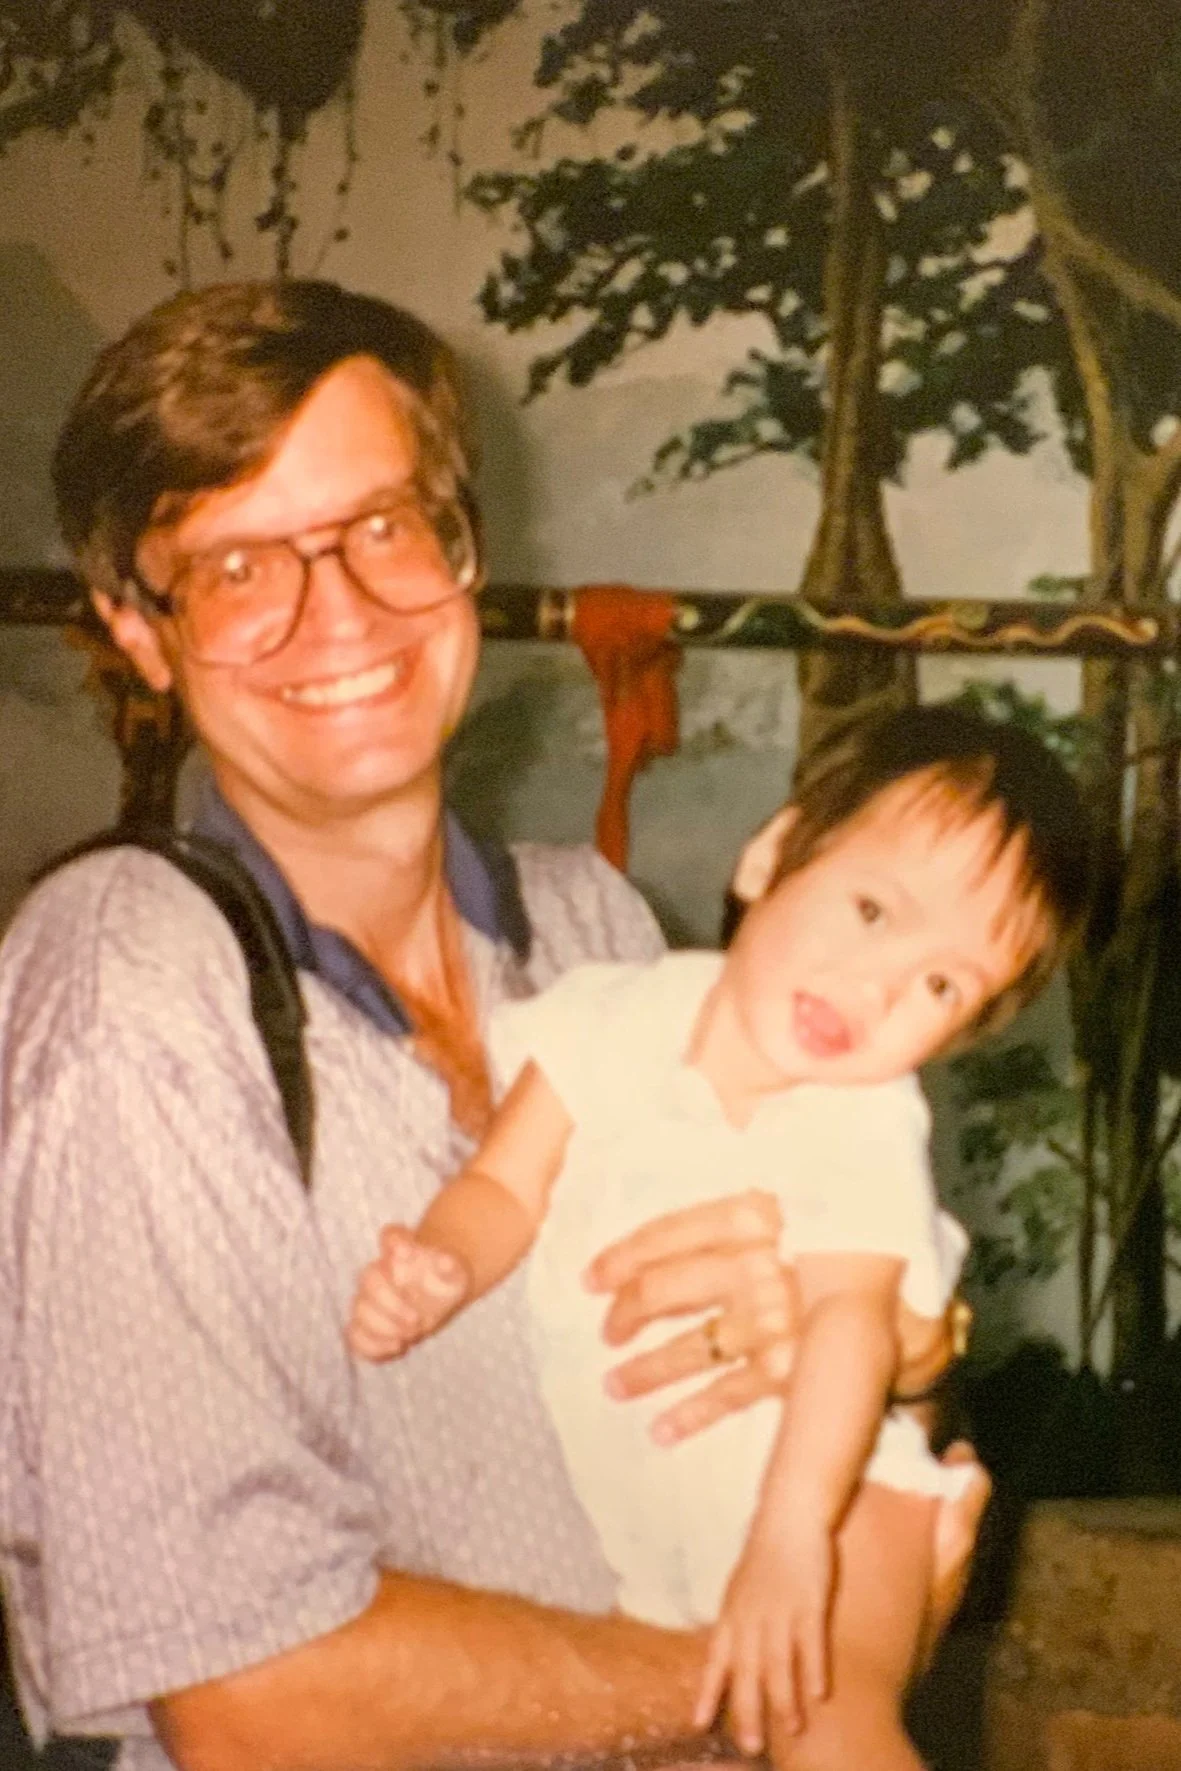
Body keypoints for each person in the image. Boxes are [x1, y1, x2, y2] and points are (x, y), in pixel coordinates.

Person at [0, 279, 982, 1771]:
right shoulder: (132, 990)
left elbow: (829, 1288)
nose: (337, 615)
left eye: (383, 526)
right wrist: (802, 1671)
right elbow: (253, 1698)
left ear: (462, 551)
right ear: (140, 632)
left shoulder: (591, 929)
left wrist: (889, 1347)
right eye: (240, 565)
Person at [347, 704, 1090, 1770]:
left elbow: (848, 1330)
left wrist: (791, 1541)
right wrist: (440, 1262)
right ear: (771, 855)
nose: (875, 987)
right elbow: (502, 1185)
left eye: (938, 985)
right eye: (873, 908)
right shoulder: (604, 1016)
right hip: (652, 1533)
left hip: (834, 1502)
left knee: (826, 1733)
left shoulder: (862, 1118)